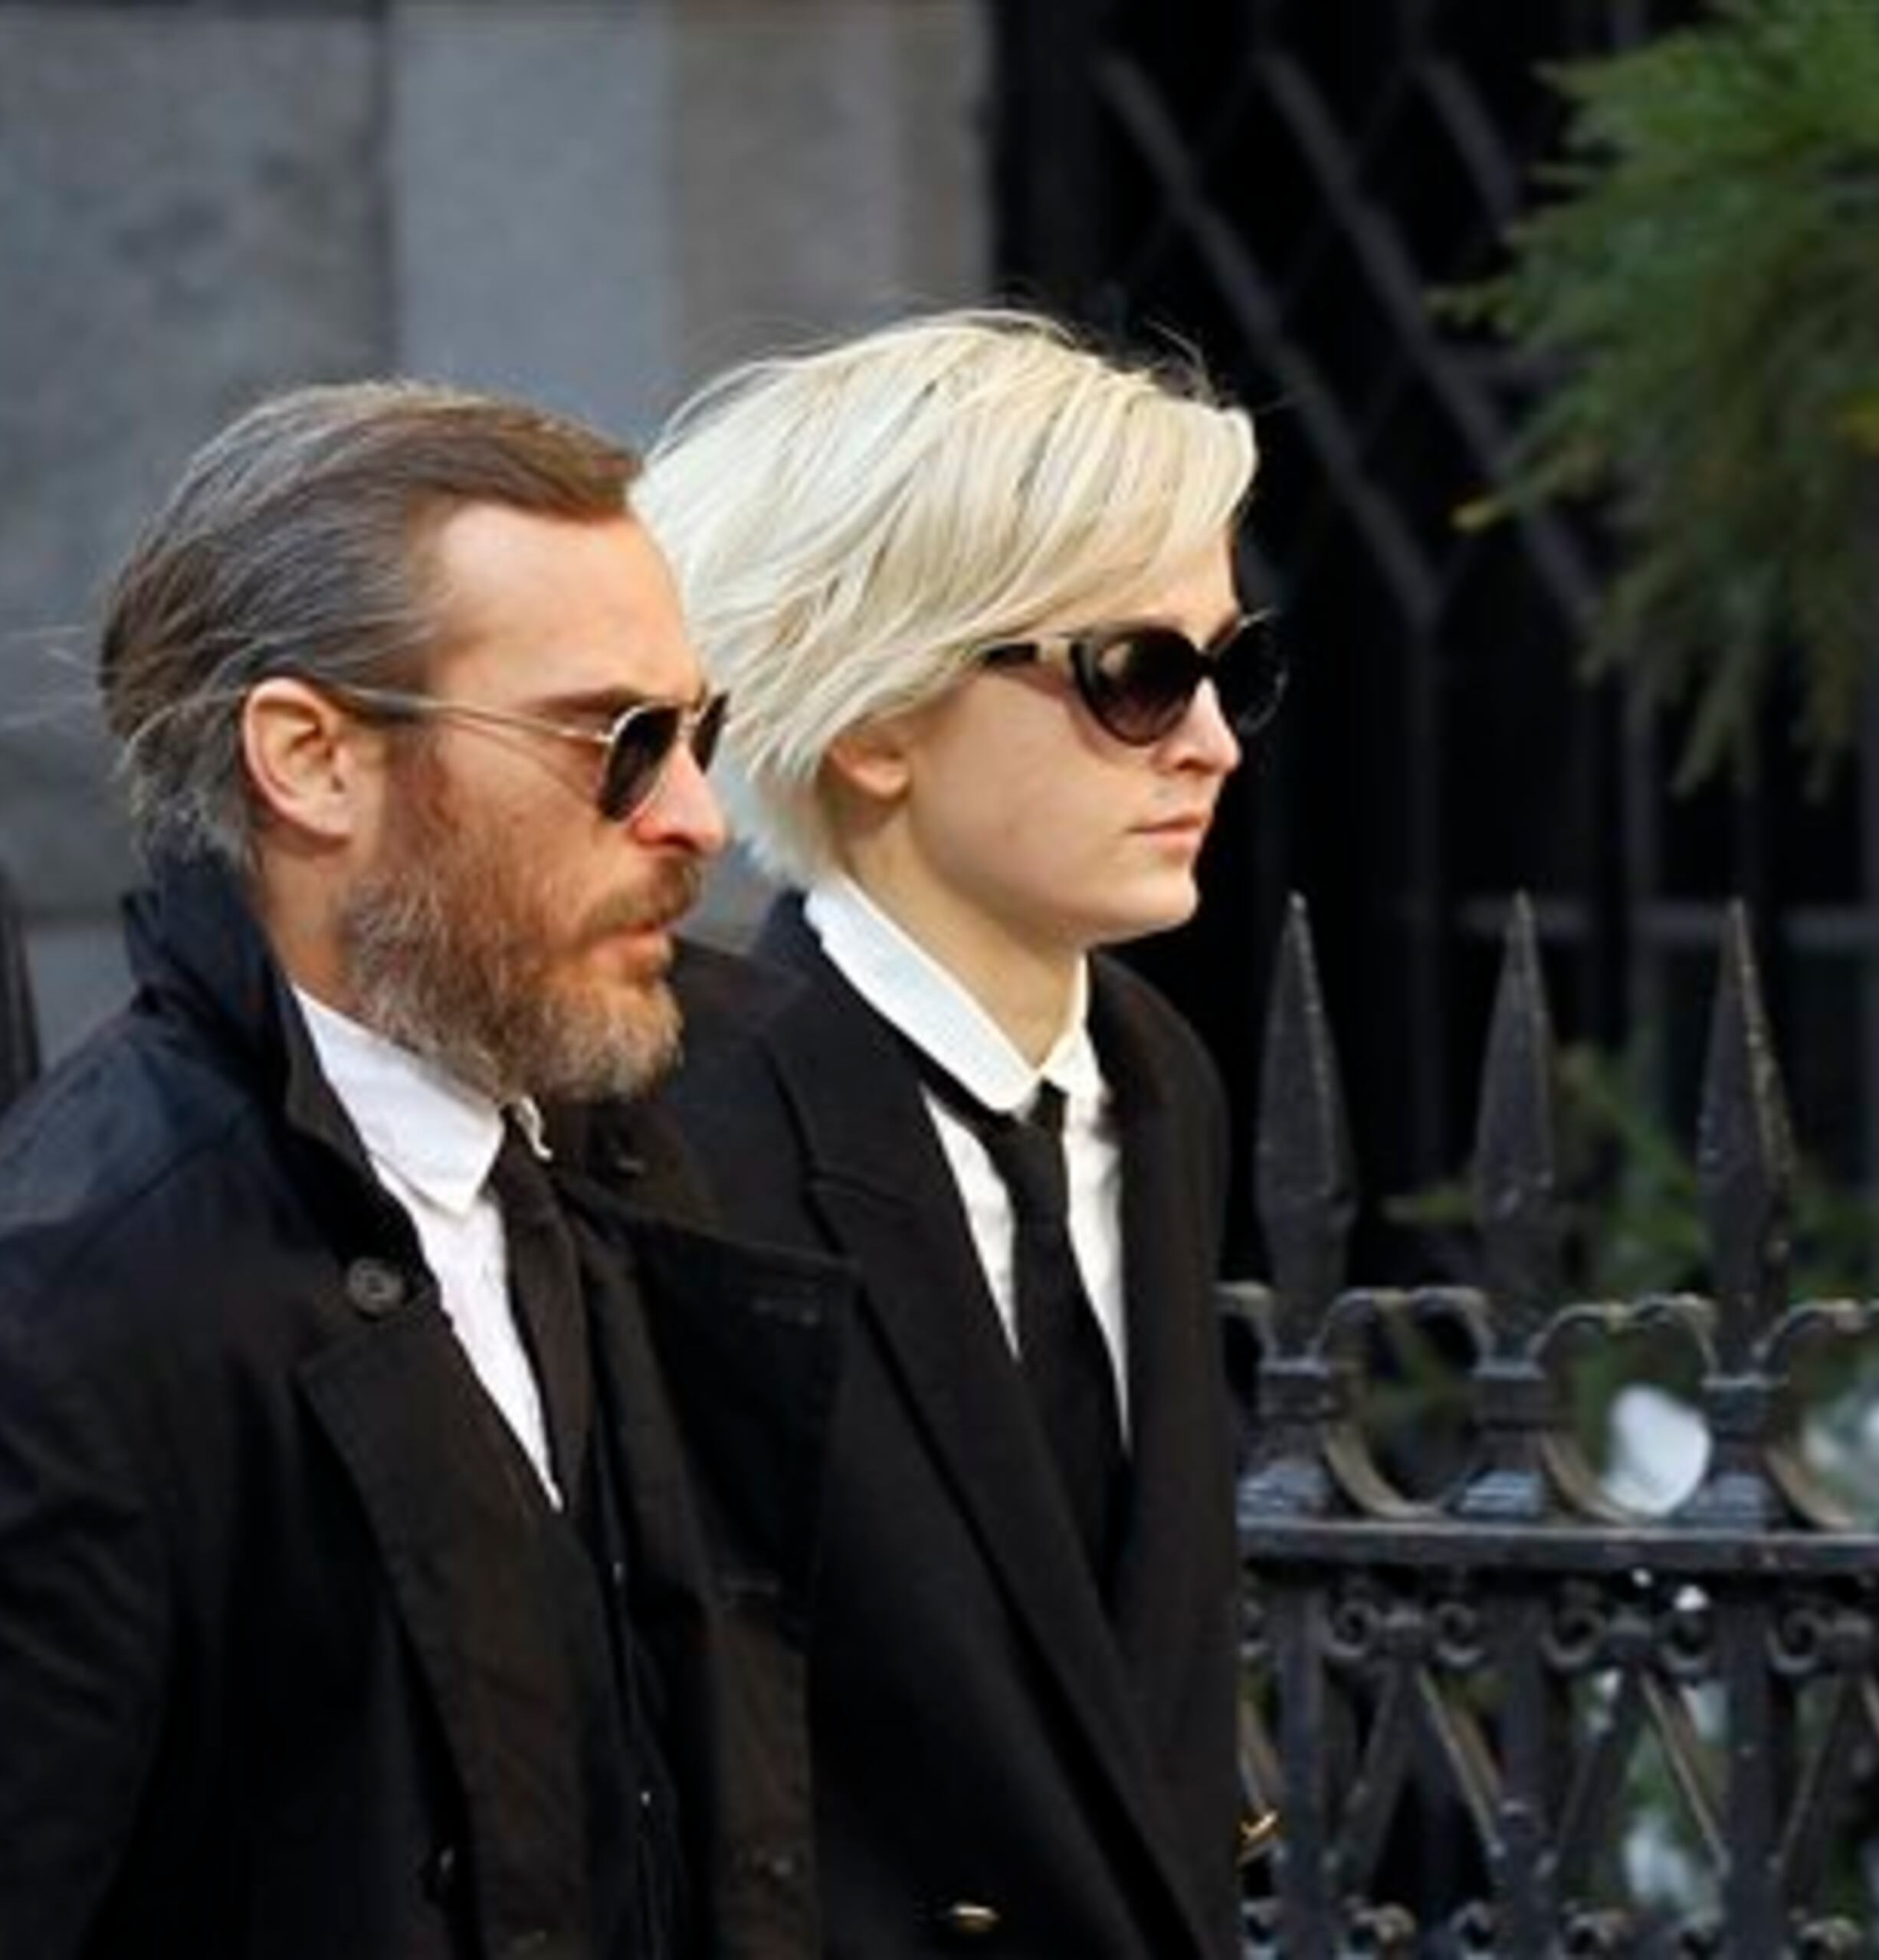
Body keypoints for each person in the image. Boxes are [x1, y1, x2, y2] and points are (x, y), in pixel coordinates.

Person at [0, 382, 847, 1958]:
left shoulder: (614, 1156)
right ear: (310, 759)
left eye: (695, 735)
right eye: (613, 741)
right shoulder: (47, 1332)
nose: (695, 818)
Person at [636, 310, 1272, 1958]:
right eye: (1135, 674)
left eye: (1231, 667)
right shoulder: (689, 1133)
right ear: (876, 723)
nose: (1211, 740)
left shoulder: (1159, 1083)